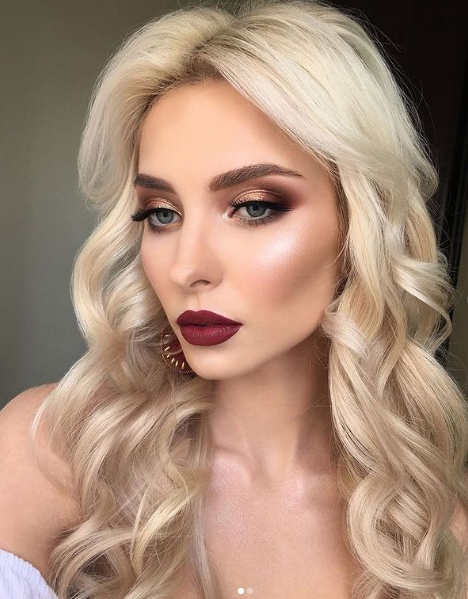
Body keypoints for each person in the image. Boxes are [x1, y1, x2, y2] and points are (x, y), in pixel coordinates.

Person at [1, 0, 468, 597]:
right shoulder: (52, 450)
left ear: (359, 223)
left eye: (254, 207)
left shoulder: (430, 529)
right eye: (161, 213)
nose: (187, 267)